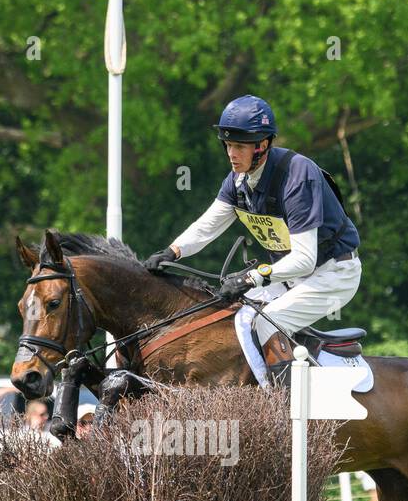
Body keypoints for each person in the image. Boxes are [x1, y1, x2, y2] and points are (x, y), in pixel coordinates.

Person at [142, 94, 362, 385]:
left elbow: (305, 259)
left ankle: (284, 405)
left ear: (262, 145)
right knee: (232, 318)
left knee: (269, 323)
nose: (231, 154)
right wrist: (172, 251)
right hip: (288, 276)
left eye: (239, 147)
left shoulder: (297, 176)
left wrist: (252, 278)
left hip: (333, 274)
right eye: (228, 145)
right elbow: (208, 225)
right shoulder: (238, 180)